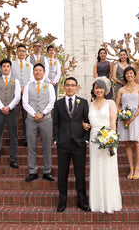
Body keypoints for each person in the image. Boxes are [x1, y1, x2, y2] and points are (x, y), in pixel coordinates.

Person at [83, 77, 122, 213]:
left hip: (107, 137)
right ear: (93, 90)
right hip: (94, 138)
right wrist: (85, 125)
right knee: (96, 168)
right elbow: (88, 121)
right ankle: (96, 203)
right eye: (96, 88)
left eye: (101, 88)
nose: (98, 90)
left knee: (107, 168)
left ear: (105, 90)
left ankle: (109, 203)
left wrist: (112, 140)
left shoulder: (110, 103)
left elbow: (113, 122)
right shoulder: (91, 104)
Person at [53, 77, 91, 213]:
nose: (70, 87)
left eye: (72, 85)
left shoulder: (83, 103)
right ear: (63, 87)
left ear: (76, 87)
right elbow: (56, 123)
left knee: (80, 175)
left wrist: (85, 139)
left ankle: (82, 202)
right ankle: (62, 202)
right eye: (67, 85)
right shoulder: (58, 104)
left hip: (79, 144)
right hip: (63, 144)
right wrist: (57, 139)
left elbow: (87, 122)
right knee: (62, 175)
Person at [22, 63, 56, 182]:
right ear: (33, 72)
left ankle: (47, 171)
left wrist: (43, 113)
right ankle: (33, 171)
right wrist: (34, 114)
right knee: (32, 146)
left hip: (46, 120)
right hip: (31, 120)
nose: (37, 72)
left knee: (47, 146)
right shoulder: (28, 86)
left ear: (44, 72)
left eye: (40, 70)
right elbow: (25, 102)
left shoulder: (49, 86)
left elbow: (52, 101)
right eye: (35, 70)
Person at [0, 58, 21, 170]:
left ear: (10, 68)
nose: (6, 68)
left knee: (13, 135)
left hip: (12, 111)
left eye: (8, 66)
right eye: (4, 66)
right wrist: (2, 107)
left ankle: (13, 159)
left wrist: (9, 107)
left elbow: (17, 96)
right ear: (1, 68)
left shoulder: (15, 81)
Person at [116, 67, 139, 179]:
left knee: (136, 142)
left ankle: (137, 168)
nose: (129, 75)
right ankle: (131, 168)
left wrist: (133, 116)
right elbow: (117, 104)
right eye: (127, 73)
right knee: (127, 143)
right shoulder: (121, 90)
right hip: (124, 119)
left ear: (134, 74)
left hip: (135, 117)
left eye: (131, 73)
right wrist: (122, 115)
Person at [11, 44, 34, 147]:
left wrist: (24, 88)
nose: (21, 53)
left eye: (23, 51)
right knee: (14, 117)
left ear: (26, 53)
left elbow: (32, 79)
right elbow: (10, 77)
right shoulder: (11, 64)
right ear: (16, 52)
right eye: (19, 51)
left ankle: (26, 138)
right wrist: (17, 88)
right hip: (15, 93)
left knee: (27, 117)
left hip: (26, 93)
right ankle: (14, 138)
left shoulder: (30, 65)